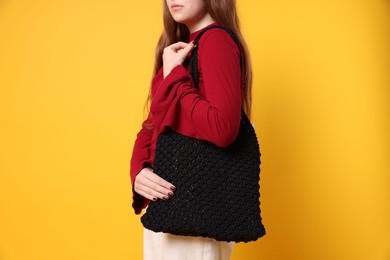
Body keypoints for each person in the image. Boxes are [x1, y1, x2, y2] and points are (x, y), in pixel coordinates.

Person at [130, 0, 254, 259]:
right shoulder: (180, 47)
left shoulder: (216, 41)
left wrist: (174, 76)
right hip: (167, 208)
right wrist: (139, 169)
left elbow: (223, 129)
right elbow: (155, 121)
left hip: (196, 211)